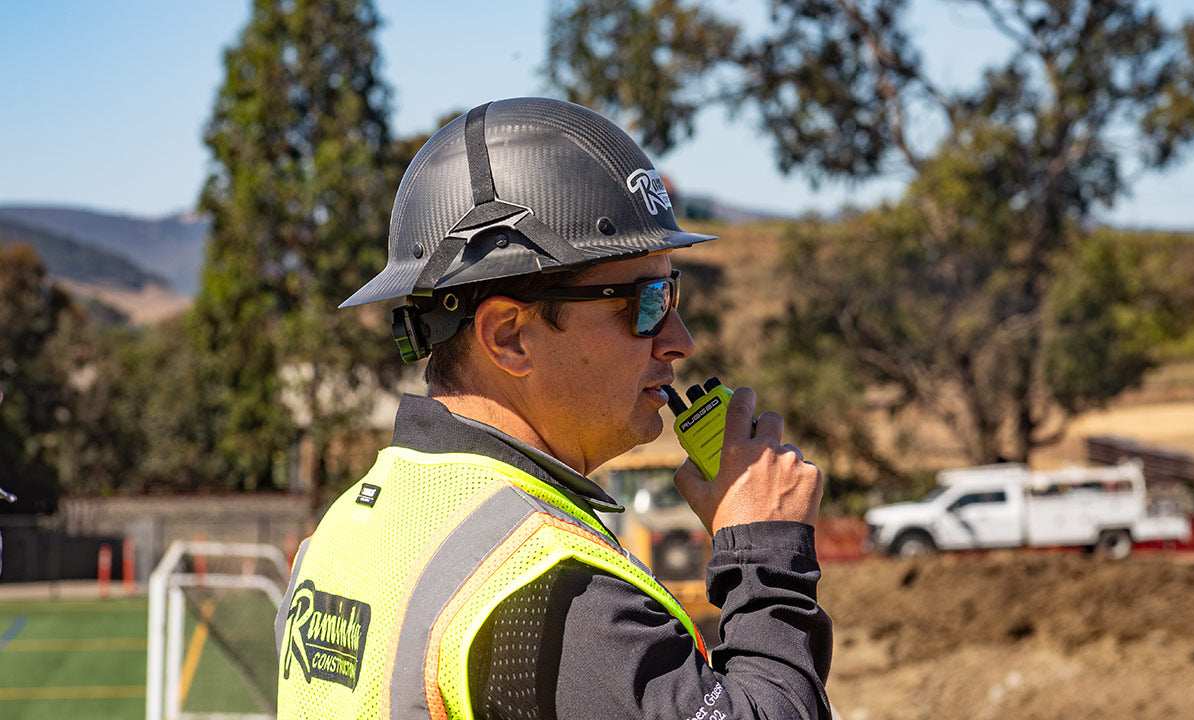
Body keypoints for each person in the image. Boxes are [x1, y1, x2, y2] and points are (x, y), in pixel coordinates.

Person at [275, 97, 832, 720]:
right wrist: (765, 554)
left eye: (672, 293)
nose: (680, 340)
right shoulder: (553, 591)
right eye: (647, 302)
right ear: (509, 336)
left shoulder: (342, 534)